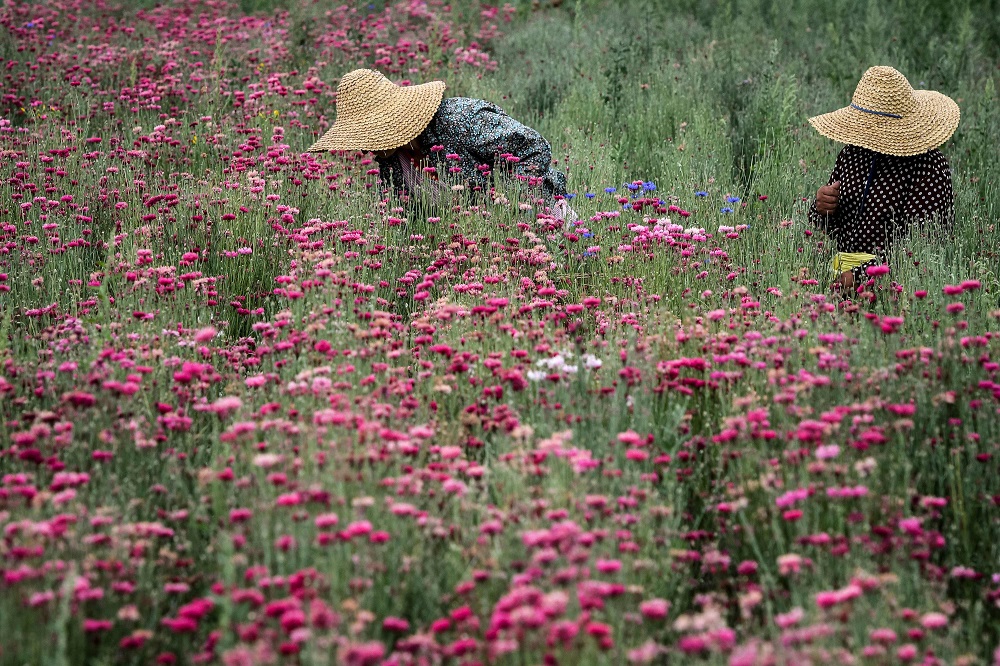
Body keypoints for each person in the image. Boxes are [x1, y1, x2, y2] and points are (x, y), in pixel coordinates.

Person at [307, 69, 576, 221]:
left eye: (369, 136)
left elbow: (533, 145)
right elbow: (405, 214)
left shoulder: (461, 119)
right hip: (474, 245)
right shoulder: (392, 160)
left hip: (539, 223)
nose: (366, 149)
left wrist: (514, 206)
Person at [807, 66, 959, 292]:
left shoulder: (928, 166)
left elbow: (920, 249)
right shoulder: (852, 154)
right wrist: (821, 207)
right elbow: (824, 228)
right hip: (841, 279)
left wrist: (860, 276)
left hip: (898, 291)